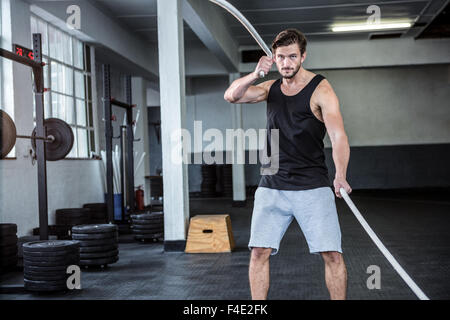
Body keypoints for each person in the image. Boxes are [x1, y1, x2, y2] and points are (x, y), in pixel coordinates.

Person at [224, 29, 352, 300]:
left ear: (303, 56)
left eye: (292, 56)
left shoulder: (321, 89)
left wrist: (340, 174)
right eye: (280, 57)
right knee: (258, 252)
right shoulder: (270, 88)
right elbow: (232, 96)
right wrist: (256, 74)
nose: (286, 63)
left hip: (312, 184)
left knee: (332, 254)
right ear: (274, 57)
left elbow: (338, 136)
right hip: (272, 183)